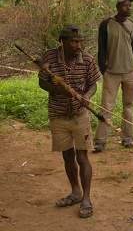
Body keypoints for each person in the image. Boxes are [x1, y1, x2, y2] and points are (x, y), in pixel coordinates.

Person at [38, 24, 100, 218]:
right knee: (67, 156)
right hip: (58, 114)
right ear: (62, 42)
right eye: (74, 41)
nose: (78, 45)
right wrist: (57, 89)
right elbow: (42, 82)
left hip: (80, 114)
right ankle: (75, 192)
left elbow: (93, 85)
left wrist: (87, 97)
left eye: (80, 41)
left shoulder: (88, 59)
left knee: (83, 157)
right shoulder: (49, 57)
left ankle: (87, 198)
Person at [93, 0, 133, 152]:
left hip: (130, 72)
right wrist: (103, 69)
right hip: (112, 73)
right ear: (118, 7)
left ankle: (127, 138)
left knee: (128, 107)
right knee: (106, 107)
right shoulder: (106, 24)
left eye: (130, 5)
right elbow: (101, 49)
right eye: (126, 5)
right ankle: (100, 140)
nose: (129, 8)